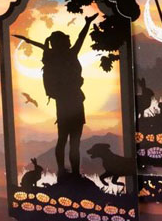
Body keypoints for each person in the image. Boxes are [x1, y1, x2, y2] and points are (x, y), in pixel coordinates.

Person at [13, 13, 98, 180]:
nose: (69, 41)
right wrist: (87, 23)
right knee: (74, 142)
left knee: (62, 139)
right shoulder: (70, 54)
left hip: (63, 104)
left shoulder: (51, 58)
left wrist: (29, 41)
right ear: (62, 43)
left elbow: (43, 46)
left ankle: (62, 171)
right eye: (66, 40)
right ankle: (74, 173)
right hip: (75, 102)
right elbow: (81, 38)